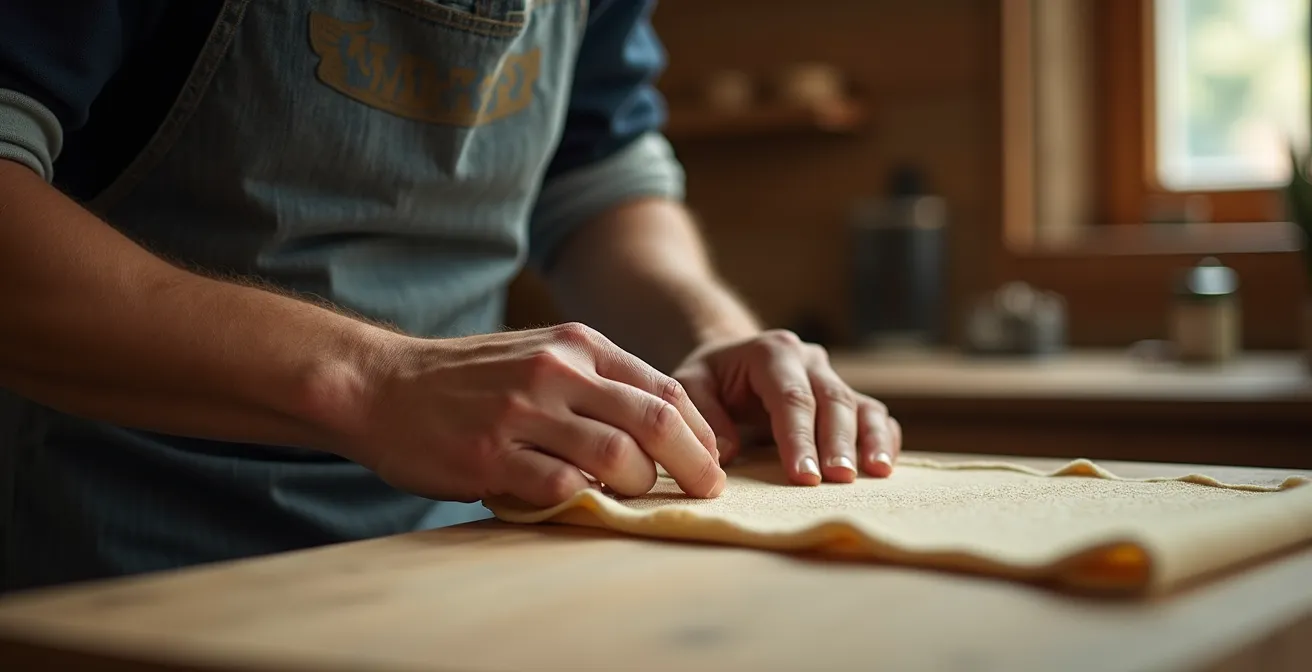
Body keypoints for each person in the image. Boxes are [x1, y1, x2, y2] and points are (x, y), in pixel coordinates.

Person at [0, 0, 902, 593]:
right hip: (111, 569)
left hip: (458, 555)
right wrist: (375, 380)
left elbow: (597, 186)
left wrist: (705, 334)